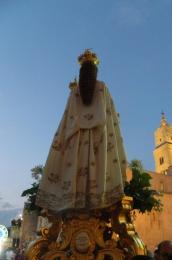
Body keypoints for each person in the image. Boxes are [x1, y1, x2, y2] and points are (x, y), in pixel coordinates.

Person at [36, 49, 127, 213]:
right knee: (99, 171)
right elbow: (109, 113)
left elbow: (67, 117)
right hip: (99, 138)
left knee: (75, 173)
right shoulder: (102, 87)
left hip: (76, 139)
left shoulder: (74, 91)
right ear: (95, 71)